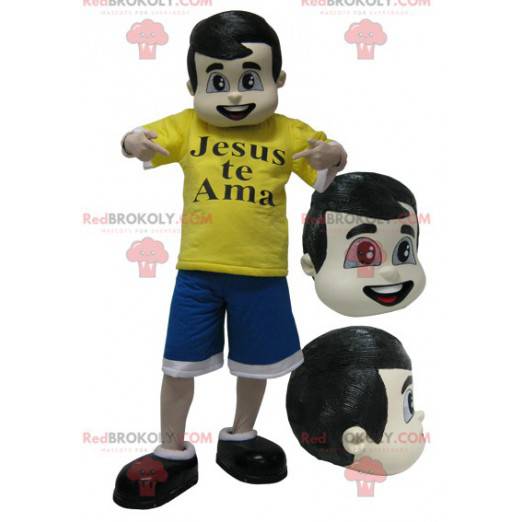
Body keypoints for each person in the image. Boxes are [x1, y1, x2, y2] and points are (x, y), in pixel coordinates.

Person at [113, 10, 347, 509]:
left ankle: (242, 435)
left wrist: (335, 155)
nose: (236, 95)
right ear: (193, 87)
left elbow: (327, 163)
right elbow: (139, 140)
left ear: (278, 80)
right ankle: (172, 449)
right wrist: (130, 142)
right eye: (217, 82)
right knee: (178, 365)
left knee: (255, 365)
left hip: (262, 275)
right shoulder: (187, 124)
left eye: (251, 80)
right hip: (197, 274)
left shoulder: (288, 133)